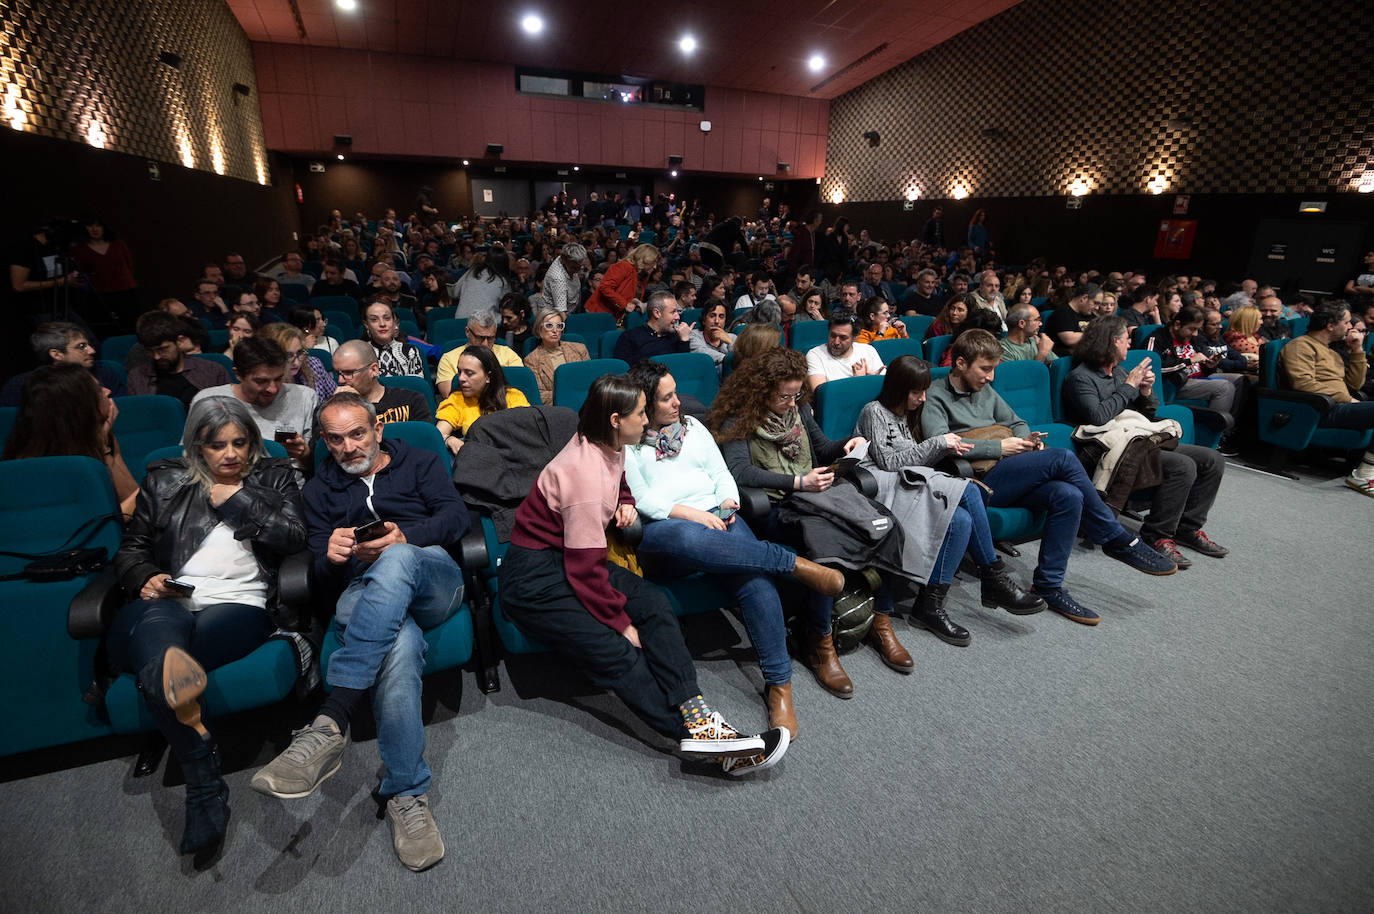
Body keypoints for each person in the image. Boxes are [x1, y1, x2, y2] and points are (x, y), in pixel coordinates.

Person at [497, 374, 789, 776]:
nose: (648, 421)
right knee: (615, 648)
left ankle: (695, 709)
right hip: (533, 579)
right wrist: (619, 623)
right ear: (616, 418)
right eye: (640, 414)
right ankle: (693, 737)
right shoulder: (583, 476)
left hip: (568, 556)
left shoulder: (611, 442)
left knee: (652, 601)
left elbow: (619, 482)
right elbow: (585, 572)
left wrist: (626, 503)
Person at [252, 392, 470, 871]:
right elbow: (321, 574)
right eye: (336, 439)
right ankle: (406, 792)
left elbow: (457, 519)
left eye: (357, 434)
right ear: (324, 442)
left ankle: (332, 718)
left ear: (376, 430)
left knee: (396, 557)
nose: (349, 447)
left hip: (433, 578)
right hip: (366, 596)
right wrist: (330, 556)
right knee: (402, 644)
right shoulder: (318, 491)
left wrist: (404, 538)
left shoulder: (422, 461)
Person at [107, 397, 305, 857]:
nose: (231, 454)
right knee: (163, 639)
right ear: (198, 445)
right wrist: (145, 576)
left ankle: (202, 785)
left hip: (240, 604)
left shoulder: (274, 475)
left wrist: (238, 500)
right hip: (172, 597)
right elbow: (131, 550)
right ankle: (203, 786)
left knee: (161, 662)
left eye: (240, 443)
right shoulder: (166, 479)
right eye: (218, 446)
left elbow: (294, 536)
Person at [623, 361, 844, 736]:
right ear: (644, 403)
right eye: (667, 398)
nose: (679, 402)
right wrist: (693, 515)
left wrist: (727, 502)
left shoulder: (693, 428)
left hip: (719, 517)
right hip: (667, 530)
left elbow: (721, 473)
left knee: (755, 582)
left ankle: (779, 686)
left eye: (676, 393)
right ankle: (790, 563)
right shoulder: (627, 443)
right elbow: (642, 499)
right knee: (689, 537)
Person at [921, 330, 1178, 625]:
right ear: (961, 363)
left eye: (994, 369)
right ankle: (1115, 537)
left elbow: (1016, 422)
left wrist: (1027, 441)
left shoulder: (984, 391)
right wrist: (1000, 447)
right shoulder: (935, 394)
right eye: (985, 369)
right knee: (1064, 458)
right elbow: (940, 442)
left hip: (1007, 471)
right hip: (972, 483)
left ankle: (1049, 586)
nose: (991, 377)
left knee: (1068, 495)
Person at [708, 348, 910, 696]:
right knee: (824, 548)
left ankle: (881, 619)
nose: (791, 402)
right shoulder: (738, 418)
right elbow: (740, 472)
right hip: (774, 508)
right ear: (760, 390)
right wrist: (797, 482)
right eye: (783, 395)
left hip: (815, 497)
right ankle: (821, 642)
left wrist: (848, 443)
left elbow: (822, 446)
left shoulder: (800, 409)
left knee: (885, 524)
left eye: (796, 394)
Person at [855, 356, 1044, 644]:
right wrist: (938, 443)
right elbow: (888, 461)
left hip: (909, 483)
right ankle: (993, 576)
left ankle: (929, 606)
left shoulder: (907, 413)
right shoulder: (874, 411)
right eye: (917, 392)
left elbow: (916, 458)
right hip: (882, 488)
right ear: (898, 388)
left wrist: (946, 448)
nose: (923, 399)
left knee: (961, 520)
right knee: (967, 489)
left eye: (925, 392)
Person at [1063, 316, 1229, 566]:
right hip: (1108, 447)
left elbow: (1148, 412)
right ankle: (1157, 536)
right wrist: (1130, 385)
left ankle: (1187, 528)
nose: (1130, 344)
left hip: (1139, 438)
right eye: (1126, 339)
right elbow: (1098, 417)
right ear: (1112, 341)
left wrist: (1145, 392)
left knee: (1211, 459)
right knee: (1182, 465)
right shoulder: (1081, 377)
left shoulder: (1118, 372)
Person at [2, 363, 139, 518]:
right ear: (80, 407)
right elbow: (117, 518)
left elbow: (130, 498)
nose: (108, 391)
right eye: (98, 390)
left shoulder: (100, 435)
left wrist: (104, 447)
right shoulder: (32, 463)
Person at [1278, 301, 1374, 496]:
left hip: (1337, 407)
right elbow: (1302, 384)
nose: (1350, 327)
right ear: (1331, 325)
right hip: (1319, 410)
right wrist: (1346, 399)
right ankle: (1364, 474)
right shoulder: (1300, 346)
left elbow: (1355, 385)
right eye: (1347, 323)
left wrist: (1357, 351)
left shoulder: (1332, 352)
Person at [192, 337, 317, 485]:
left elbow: (317, 466)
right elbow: (191, 459)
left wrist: (304, 454)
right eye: (261, 381)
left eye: (278, 379)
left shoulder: (305, 397)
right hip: (223, 487)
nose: (273, 389)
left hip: (286, 490)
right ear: (238, 374)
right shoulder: (208, 400)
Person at [1144, 305, 1246, 420]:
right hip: (1176, 383)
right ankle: (1216, 430)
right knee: (1224, 387)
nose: (1195, 334)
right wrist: (1189, 361)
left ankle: (1232, 427)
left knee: (1239, 379)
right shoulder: (1157, 338)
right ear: (1177, 325)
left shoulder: (1193, 338)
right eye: (1192, 329)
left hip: (1199, 378)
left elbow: (1202, 362)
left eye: (1198, 329)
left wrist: (1209, 365)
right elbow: (1153, 368)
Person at [0, 321, 127, 405]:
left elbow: (124, 413)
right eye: (82, 346)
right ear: (56, 354)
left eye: (89, 345)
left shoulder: (104, 372)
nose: (92, 351)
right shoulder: (20, 385)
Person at [434, 345, 530, 454]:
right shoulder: (458, 399)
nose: (461, 378)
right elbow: (438, 434)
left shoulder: (514, 396)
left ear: (488, 377)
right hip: (479, 459)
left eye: (469, 373)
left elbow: (528, 433)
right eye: (459, 372)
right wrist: (449, 440)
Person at [127, 310, 231, 406]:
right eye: (150, 351)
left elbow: (230, 411)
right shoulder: (137, 378)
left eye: (162, 349)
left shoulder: (212, 371)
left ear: (179, 341)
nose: (156, 357)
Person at [331, 339, 431, 424]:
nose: (340, 380)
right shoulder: (330, 410)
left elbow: (425, 443)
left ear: (373, 370)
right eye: (337, 373)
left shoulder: (412, 401)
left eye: (348, 373)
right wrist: (340, 408)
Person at [434, 308, 523, 398]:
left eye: (490, 338)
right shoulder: (448, 359)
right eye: (480, 337)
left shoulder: (508, 355)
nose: (485, 344)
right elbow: (449, 395)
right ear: (467, 332)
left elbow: (520, 388)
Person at [70, 217, 139, 328]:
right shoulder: (79, 250)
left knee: (132, 323)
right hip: (100, 294)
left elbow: (129, 265)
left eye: (98, 225)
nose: (94, 229)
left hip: (126, 290)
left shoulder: (118, 244)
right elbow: (80, 273)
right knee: (108, 326)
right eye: (90, 226)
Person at [523, 306, 590, 405]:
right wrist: (571, 394)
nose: (555, 330)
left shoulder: (579, 349)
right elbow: (540, 395)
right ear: (539, 328)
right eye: (549, 325)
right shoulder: (532, 360)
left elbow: (590, 380)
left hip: (585, 403)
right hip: (557, 408)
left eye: (559, 326)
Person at [259, 322, 337, 403]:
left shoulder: (313, 364)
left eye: (299, 353)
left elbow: (333, 397)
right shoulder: (265, 382)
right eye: (289, 356)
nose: (296, 362)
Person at [805, 311, 884, 389]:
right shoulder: (815, 355)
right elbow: (821, 394)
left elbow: (886, 387)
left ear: (855, 337)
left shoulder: (869, 351)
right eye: (833, 335)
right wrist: (858, 382)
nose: (836, 342)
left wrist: (873, 381)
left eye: (843, 337)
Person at [612, 290, 692, 363]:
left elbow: (683, 367)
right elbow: (621, 371)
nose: (678, 317)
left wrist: (684, 340)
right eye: (673, 312)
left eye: (677, 312)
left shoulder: (675, 336)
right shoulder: (629, 337)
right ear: (657, 313)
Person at [586, 243, 659, 321]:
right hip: (600, 313)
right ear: (645, 259)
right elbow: (605, 287)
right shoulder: (624, 266)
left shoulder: (643, 276)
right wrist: (624, 304)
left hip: (617, 317)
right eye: (653, 262)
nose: (655, 267)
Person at [362, 298, 424, 377]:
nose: (382, 324)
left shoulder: (410, 352)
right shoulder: (359, 354)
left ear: (394, 321)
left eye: (387, 318)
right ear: (366, 324)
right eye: (374, 320)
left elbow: (417, 386)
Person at [451, 248, 513, 319]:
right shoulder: (503, 281)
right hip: (483, 323)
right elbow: (507, 306)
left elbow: (455, 292)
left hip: (460, 320)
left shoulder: (473, 271)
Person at [688, 298, 734, 372]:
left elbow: (744, 358)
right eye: (712, 316)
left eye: (721, 317)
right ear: (704, 320)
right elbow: (702, 354)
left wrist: (730, 342)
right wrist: (731, 359)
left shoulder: (732, 338)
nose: (716, 321)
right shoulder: (694, 335)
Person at [542, 243, 587, 314]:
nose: (577, 271)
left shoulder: (565, 259)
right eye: (574, 268)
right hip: (555, 316)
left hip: (572, 310)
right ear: (564, 260)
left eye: (579, 267)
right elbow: (561, 312)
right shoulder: (558, 278)